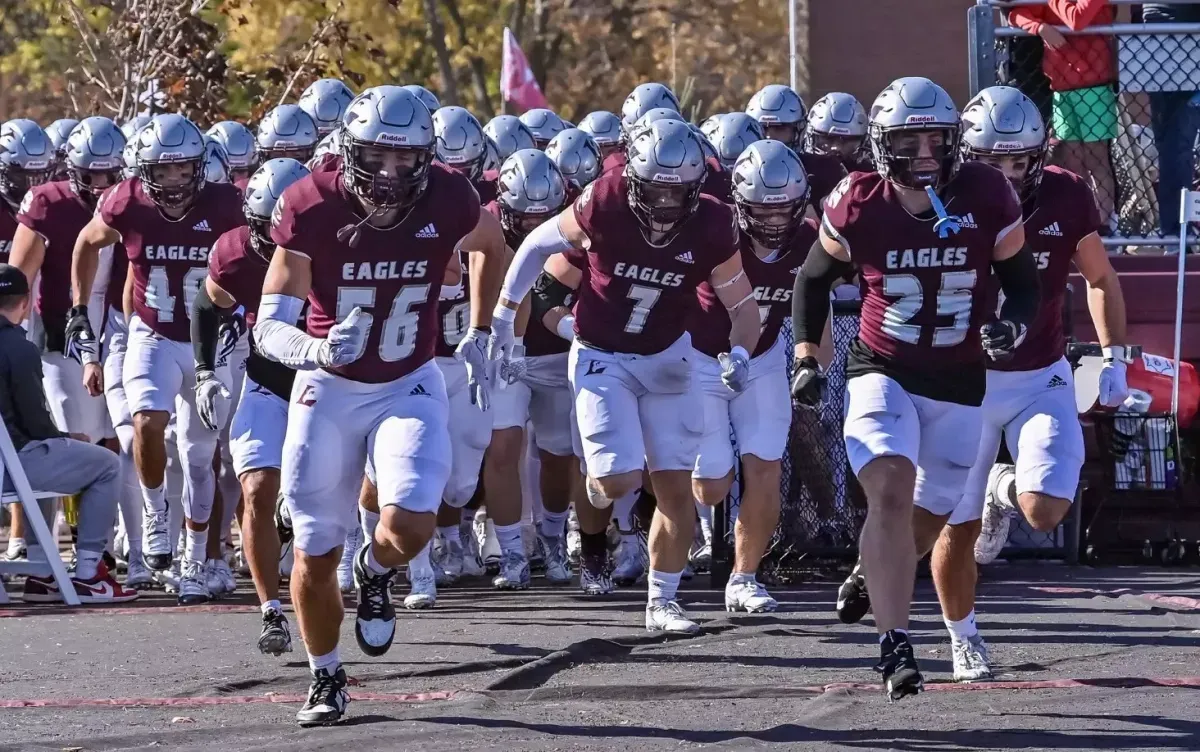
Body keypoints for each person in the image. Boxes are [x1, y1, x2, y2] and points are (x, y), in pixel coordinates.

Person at [255, 85, 508, 726]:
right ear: (349, 152)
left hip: (407, 379)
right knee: (313, 546)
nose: (391, 175)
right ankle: (326, 676)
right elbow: (267, 324)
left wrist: (483, 328)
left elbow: (494, 249)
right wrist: (309, 349)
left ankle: (374, 569)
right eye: (377, 158)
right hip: (329, 387)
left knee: (413, 525)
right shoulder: (310, 203)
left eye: (405, 161)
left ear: (427, 158)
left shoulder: (451, 195)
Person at [790, 77, 1042, 700]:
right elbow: (811, 282)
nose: (927, 154)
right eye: (911, 139)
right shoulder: (858, 202)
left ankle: (867, 572)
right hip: (884, 368)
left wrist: (1011, 323)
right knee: (891, 490)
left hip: (959, 381)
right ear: (882, 144)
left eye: (937, 139)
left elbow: (1024, 281)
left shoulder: (986, 191)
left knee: (932, 514)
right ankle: (894, 644)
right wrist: (805, 356)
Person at [490, 119, 760, 635]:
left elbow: (743, 305)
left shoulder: (711, 222)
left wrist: (741, 353)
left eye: (677, 191)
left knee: (675, 489)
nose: (664, 202)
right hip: (602, 354)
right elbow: (534, 250)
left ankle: (662, 601)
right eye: (655, 187)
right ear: (634, 177)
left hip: (667, 356)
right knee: (618, 481)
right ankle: (597, 483)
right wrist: (504, 315)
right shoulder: (605, 200)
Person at [940, 86, 1127, 680]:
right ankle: (963, 636)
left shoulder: (1066, 194)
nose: (1006, 174)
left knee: (1045, 510)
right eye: (991, 161)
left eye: (1018, 160)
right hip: (960, 382)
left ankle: (1004, 490)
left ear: (1039, 152)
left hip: (1038, 375)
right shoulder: (938, 198)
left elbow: (1098, 276)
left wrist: (1113, 356)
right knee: (956, 526)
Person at [69, 113, 246, 605]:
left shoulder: (227, 203)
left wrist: (244, 315)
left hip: (209, 339)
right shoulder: (125, 199)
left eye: (182, 169)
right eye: (162, 171)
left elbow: (262, 257)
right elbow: (87, 242)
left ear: (199, 166)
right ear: (142, 171)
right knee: (146, 422)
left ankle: (194, 558)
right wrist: (81, 309)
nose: (173, 181)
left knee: (198, 455)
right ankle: (152, 512)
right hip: (153, 331)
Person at [8, 117, 150, 589]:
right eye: (91, 174)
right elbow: (15, 283)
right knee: (72, 441)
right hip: (58, 339)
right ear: (72, 169)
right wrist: (19, 349)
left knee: (122, 442)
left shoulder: (134, 197)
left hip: (117, 334)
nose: (101, 184)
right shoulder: (49, 203)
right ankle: (48, 553)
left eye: (110, 174)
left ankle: (117, 549)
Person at [190, 157, 310, 654]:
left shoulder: (337, 242)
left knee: (323, 500)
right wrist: (204, 373)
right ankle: (270, 610)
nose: (274, 238)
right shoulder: (238, 253)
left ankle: (368, 571)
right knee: (258, 486)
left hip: (331, 386)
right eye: (265, 228)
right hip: (265, 378)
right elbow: (207, 303)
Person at [690, 139, 814, 614]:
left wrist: (811, 365)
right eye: (765, 209)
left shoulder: (808, 238)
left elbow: (815, 308)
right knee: (713, 484)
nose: (776, 220)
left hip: (762, 358)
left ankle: (744, 578)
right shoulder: (715, 229)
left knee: (765, 465)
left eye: (785, 209)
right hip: (700, 359)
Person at [0, 264, 137, 604]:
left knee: (46, 459)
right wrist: (66, 437)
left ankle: (42, 571)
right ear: (26, 301)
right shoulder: (17, 347)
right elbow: (35, 426)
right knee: (105, 464)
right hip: (8, 468)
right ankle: (90, 572)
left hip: (10, 464)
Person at [1009, 0, 1118, 229]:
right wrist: (1040, 27)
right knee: (1072, 161)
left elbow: (1076, 19)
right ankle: (1080, 220)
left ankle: (1105, 224)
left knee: (1096, 157)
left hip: (1094, 87)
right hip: (1061, 87)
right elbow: (1016, 15)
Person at [1141, 3, 1200, 238]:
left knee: (1178, 147)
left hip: (1187, 45)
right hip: (1161, 44)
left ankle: (1177, 229)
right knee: (1172, 148)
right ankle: (1174, 230)